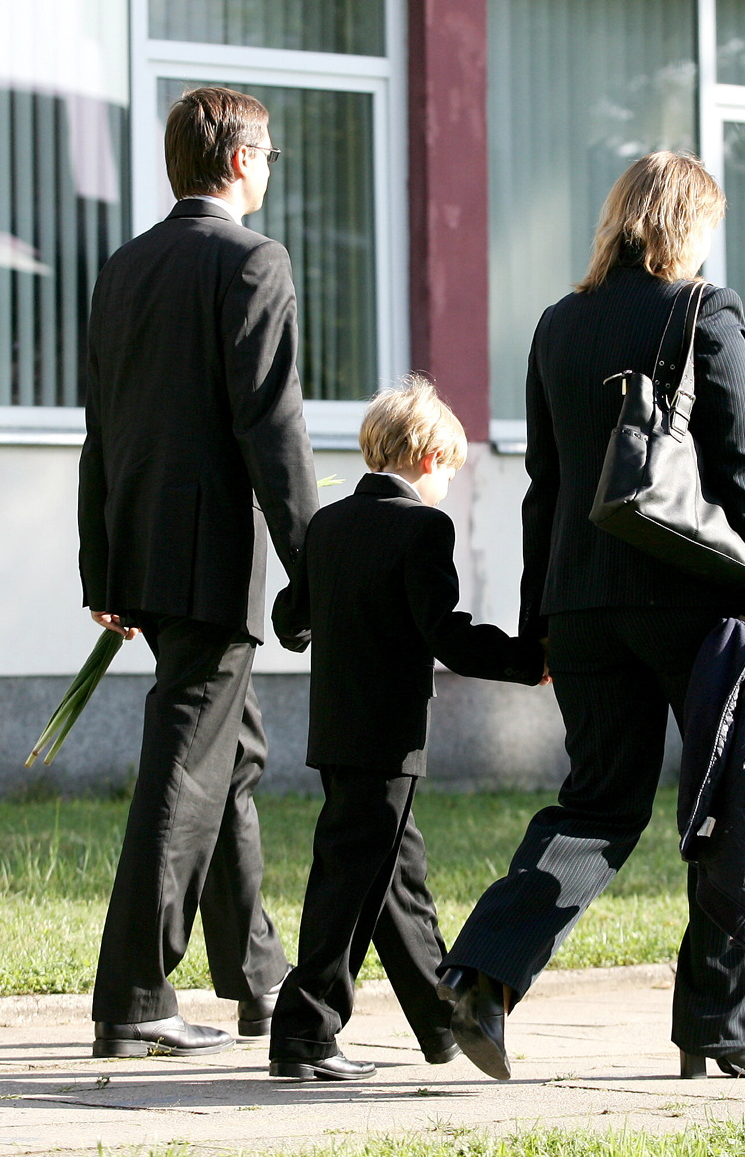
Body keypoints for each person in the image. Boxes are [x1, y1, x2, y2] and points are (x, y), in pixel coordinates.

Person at [439, 151, 745, 1081]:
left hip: (583, 603)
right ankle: (723, 1028)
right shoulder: (704, 310)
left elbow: (544, 487)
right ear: (687, 225)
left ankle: (482, 973)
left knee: (598, 802)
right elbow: (741, 465)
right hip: (698, 604)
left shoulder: (558, 325)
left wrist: (539, 624)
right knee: (737, 802)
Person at [77, 86, 317, 1058]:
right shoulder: (253, 259)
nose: (272, 167)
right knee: (187, 763)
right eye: (270, 153)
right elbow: (273, 425)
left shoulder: (125, 266)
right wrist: (318, 564)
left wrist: (102, 566)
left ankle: (260, 977)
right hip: (210, 556)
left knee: (232, 756)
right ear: (243, 159)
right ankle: (133, 991)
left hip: (139, 549)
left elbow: (101, 429)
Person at [265, 377, 547, 1081]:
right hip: (389, 733)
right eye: (450, 467)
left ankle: (442, 1018)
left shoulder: (327, 524)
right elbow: (445, 634)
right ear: (426, 456)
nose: (449, 481)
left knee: (396, 876)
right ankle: (305, 1028)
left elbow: (287, 618)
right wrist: (528, 660)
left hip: (336, 729)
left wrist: (321, 614)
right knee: (348, 880)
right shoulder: (423, 527)